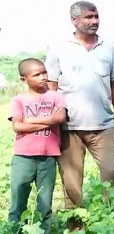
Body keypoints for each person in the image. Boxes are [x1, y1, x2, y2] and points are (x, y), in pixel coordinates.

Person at [44, 1, 114, 231]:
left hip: (104, 124)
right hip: (69, 127)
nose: (94, 21)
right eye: (89, 17)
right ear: (74, 20)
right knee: (71, 182)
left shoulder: (108, 46)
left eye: (96, 16)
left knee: (112, 174)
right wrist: (54, 118)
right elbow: (51, 84)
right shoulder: (59, 47)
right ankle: (75, 226)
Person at [8, 58, 68, 232]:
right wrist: (50, 121)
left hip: (48, 158)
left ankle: (44, 230)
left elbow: (60, 118)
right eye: (37, 74)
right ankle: (15, 230)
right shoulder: (19, 100)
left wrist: (31, 121)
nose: (43, 77)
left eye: (44, 72)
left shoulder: (55, 96)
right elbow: (18, 126)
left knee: (44, 202)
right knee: (18, 201)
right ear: (24, 79)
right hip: (23, 158)